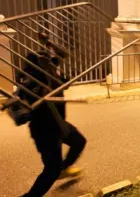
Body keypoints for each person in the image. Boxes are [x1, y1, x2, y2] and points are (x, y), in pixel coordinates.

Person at [22, 35, 86, 197]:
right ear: (37, 67)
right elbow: (50, 90)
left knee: (79, 141)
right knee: (51, 170)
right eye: (46, 63)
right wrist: (51, 73)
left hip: (58, 125)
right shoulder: (31, 84)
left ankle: (63, 169)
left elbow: (63, 55)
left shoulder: (48, 71)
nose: (51, 64)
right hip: (44, 130)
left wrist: (48, 43)